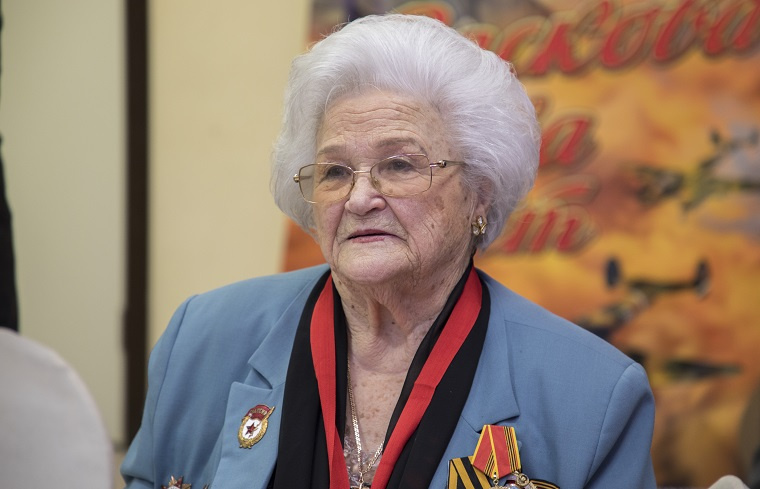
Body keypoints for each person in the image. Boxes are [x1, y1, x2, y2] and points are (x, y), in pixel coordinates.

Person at [121, 14, 656, 489]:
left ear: (480, 193)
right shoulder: (201, 340)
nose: (359, 198)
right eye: (334, 171)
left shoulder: (594, 395)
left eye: (399, 165)